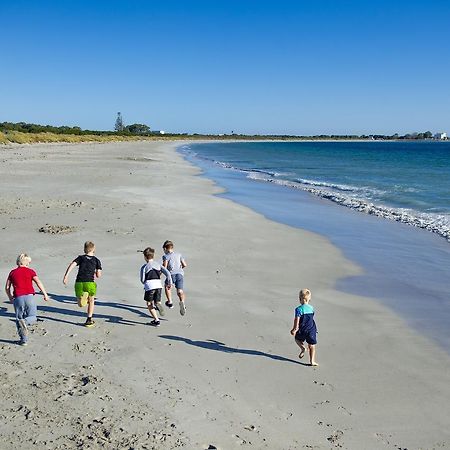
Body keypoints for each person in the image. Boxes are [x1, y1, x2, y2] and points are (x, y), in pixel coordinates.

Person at [5, 253, 50, 345]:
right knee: (33, 317)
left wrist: (10, 297)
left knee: (19, 319)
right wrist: (45, 294)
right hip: (29, 297)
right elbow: (38, 282)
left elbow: (7, 287)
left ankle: (23, 340)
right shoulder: (30, 271)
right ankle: (25, 321)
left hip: (17, 298)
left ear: (18, 262)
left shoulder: (12, 272)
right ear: (27, 263)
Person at [63, 241, 102, 328]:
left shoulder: (80, 258)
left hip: (79, 282)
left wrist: (66, 276)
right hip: (90, 283)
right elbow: (98, 275)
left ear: (84, 249)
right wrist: (96, 272)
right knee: (91, 301)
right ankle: (89, 320)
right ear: (94, 249)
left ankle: (81, 299)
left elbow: (72, 265)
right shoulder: (96, 260)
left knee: (80, 304)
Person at [140, 247, 172, 327]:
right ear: (153, 256)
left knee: (149, 303)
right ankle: (158, 304)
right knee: (157, 301)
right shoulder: (158, 264)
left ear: (145, 257)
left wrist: (145, 283)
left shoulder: (144, 267)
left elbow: (142, 279)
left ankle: (156, 320)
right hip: (158, 285)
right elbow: (167, 273)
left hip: (150, 286)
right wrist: (169, 282)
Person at [290, 288, 318, 366]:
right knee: (312, 345)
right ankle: (312, 361)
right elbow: (312, 318)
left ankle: (303, 348)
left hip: (302, 329)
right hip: (311, 329)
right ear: (309, 299)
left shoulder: (298, 309)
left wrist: (294, 329)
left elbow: (297, 320)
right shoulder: (311, 308)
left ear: (300, 299)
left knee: (297, 339)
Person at [162, 240, 187, 315]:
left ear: (165, 249)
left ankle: (170, 302)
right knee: (180, 290)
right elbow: (185, 264)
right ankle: (182, 302)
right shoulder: (179, 254)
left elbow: (165, 267)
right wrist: (180, 268)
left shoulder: (166, 256)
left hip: (171, 274)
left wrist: (161, 273)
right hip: (180, 274)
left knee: (167, 287)